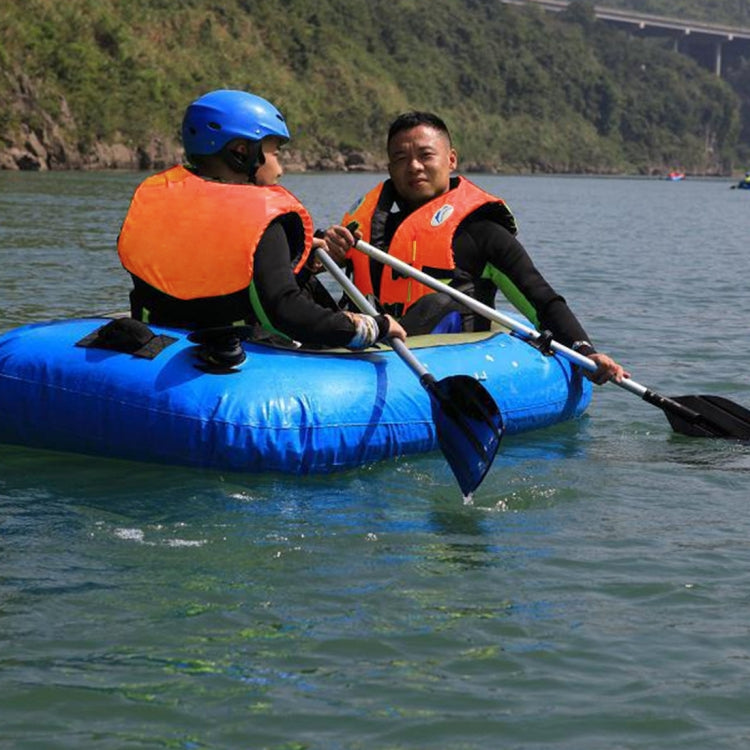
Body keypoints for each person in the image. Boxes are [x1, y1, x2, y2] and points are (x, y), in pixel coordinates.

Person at [324, 111, 626, 383]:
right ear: (389, 167)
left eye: (425, 155)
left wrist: (583, 349)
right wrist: (325, 254)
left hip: (447, 355)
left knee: (438, 305)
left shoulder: (482, 231)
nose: (414, 166)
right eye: (401, 159)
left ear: (451, 159)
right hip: (374, 345)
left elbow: (540, 298)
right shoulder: (365, 231)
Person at [117, 89, 405, 350]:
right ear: (242, 152)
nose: (280, 167)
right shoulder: (264, 219)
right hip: (231, 352)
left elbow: (209, 265)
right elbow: (286, 312)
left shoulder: (157, 196)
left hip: (158, 337)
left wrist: (301, 258)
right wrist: (373, 326)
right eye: (275, 152)